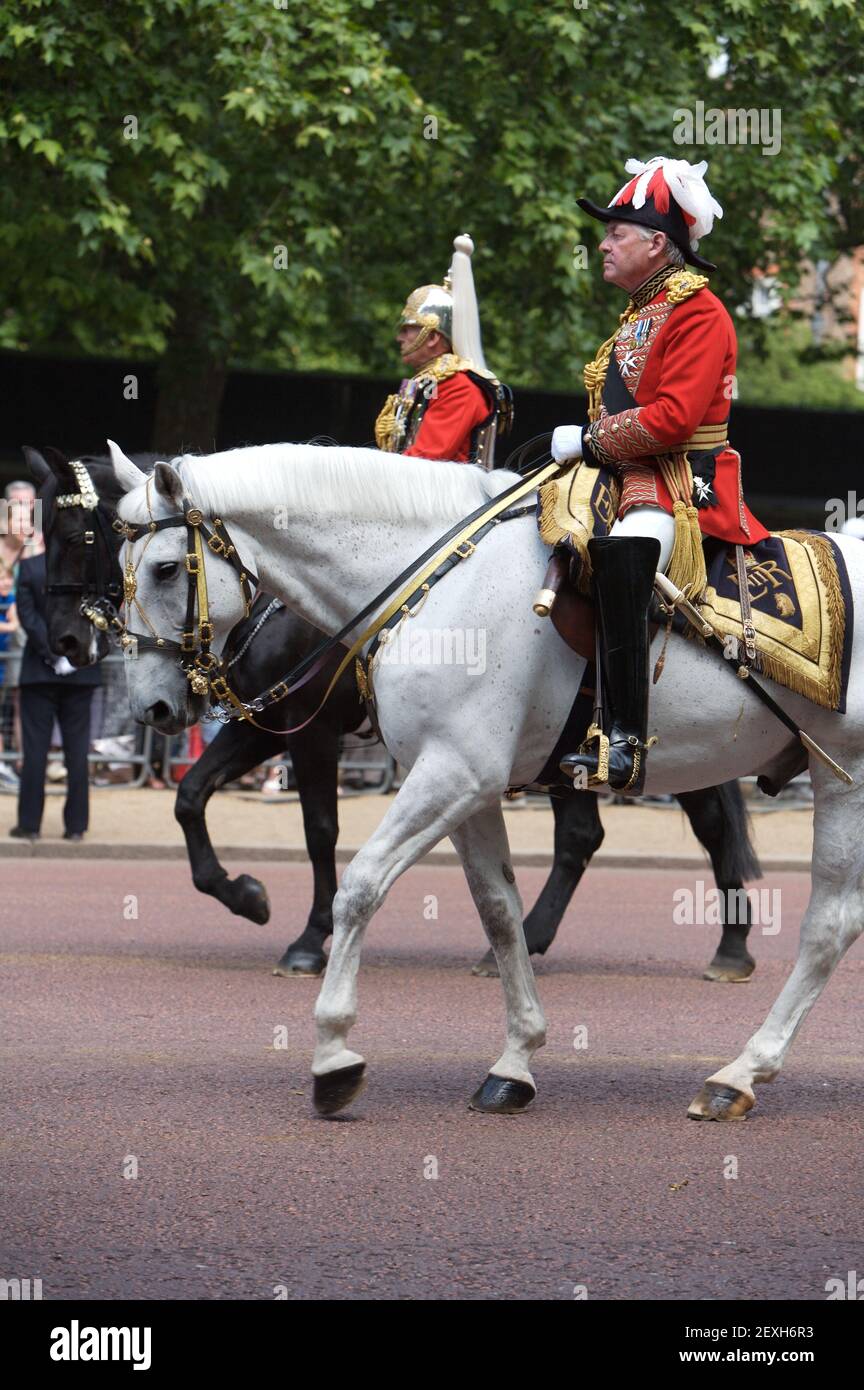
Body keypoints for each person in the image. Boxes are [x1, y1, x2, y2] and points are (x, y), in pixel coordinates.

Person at [550, 156, 768, 793]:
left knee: (625, 553)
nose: (603, 243)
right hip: (629, 470)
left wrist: (588, 439)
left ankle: (622, 741)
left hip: (683, 483)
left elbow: (672, 421)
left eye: (617, 232)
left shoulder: (699, 313)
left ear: (657, 243)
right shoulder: (644, 310)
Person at [374, 234, 512, 467]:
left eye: (408, 329)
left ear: (432, 337)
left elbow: (424, 461)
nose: (400, 338)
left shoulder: (458, 385)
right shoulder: (429, 381)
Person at [9, 552, 101, 841]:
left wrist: (52, 654)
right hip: (80, 669)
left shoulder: (31, 567)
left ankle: (29, 825)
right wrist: (72, 655)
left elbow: (27, 616)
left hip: (40, 670)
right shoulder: (91, 567)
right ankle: (75, 827)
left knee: (36, 752)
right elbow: (97, 615)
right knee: (77, 753)